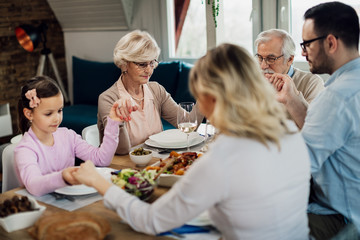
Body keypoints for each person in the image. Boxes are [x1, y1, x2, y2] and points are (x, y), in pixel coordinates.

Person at [72, 43, 311, 239]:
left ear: (209, 98)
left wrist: (99, 182)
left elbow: (151, 220)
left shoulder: (222, 158)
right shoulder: (290, 131)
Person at [273, 2, 360, 239]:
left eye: (307, 44)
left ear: (331, 42)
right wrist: (292, 99)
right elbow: (328, 132)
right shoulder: (352, 83)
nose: (303, 52)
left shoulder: (336, 97)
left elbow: (296, 167)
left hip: (341, 217)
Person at [98, 30, 203, 155]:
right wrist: (118, 122)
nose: (149, 70)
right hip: (125, 168)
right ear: (124, 64)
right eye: (142, 64)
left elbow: (189, 123)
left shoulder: (156, 90)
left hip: (155, 164)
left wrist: (205, 95)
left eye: (152, 62)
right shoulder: (108, 98)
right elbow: (122, 151)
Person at [14, 76, 123, 196]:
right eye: (49, 113)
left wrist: (113, 123)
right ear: (29, 114)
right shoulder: (25, 149)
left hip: (71, 203)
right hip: (43, 207)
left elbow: (102, 159)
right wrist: (63, 177)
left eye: (59, 110)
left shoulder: (68, 136)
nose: (57, 118)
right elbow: (34, 185)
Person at [255, 29, 324, 121]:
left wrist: (291, 98)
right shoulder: (252, 81)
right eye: (260, 58)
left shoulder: (312, 83)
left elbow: (314, 125)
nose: (263, 66)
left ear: (290, 59)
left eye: (271, 59)